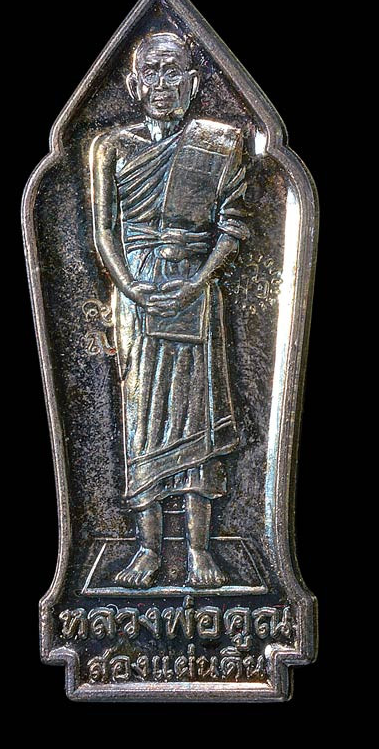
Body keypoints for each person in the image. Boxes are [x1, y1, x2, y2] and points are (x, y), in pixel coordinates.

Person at [90, 31, 252, 588]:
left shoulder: (218, 143)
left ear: (192, 81)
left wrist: (196, 283)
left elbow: (231, 227)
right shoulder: (111, 147)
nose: (162, 84)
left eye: (172, 71)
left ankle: (200, 550)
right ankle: (148, 548)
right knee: (143, 417)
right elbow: (104, 231)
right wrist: (132, 288)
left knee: (194, 417)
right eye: (151, 73)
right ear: (134, 84)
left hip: (195, 292)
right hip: (135, 294)